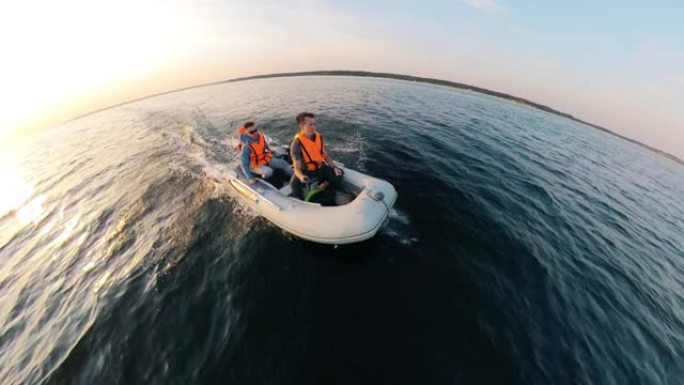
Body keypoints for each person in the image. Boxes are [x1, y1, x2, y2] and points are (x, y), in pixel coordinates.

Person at [289, 112, 343, 198]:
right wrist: (301, 177)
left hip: (320, 168)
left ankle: (323, 187)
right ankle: (302, 199)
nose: (313, 127)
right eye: (310, 125)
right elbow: (297, 167)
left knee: (339, 172)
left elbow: (325, 156)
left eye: (314, 124)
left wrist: (334, 167)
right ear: (301, 126)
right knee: (293, 186)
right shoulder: (296, 144)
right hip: (307, 172)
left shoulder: (318, 137)